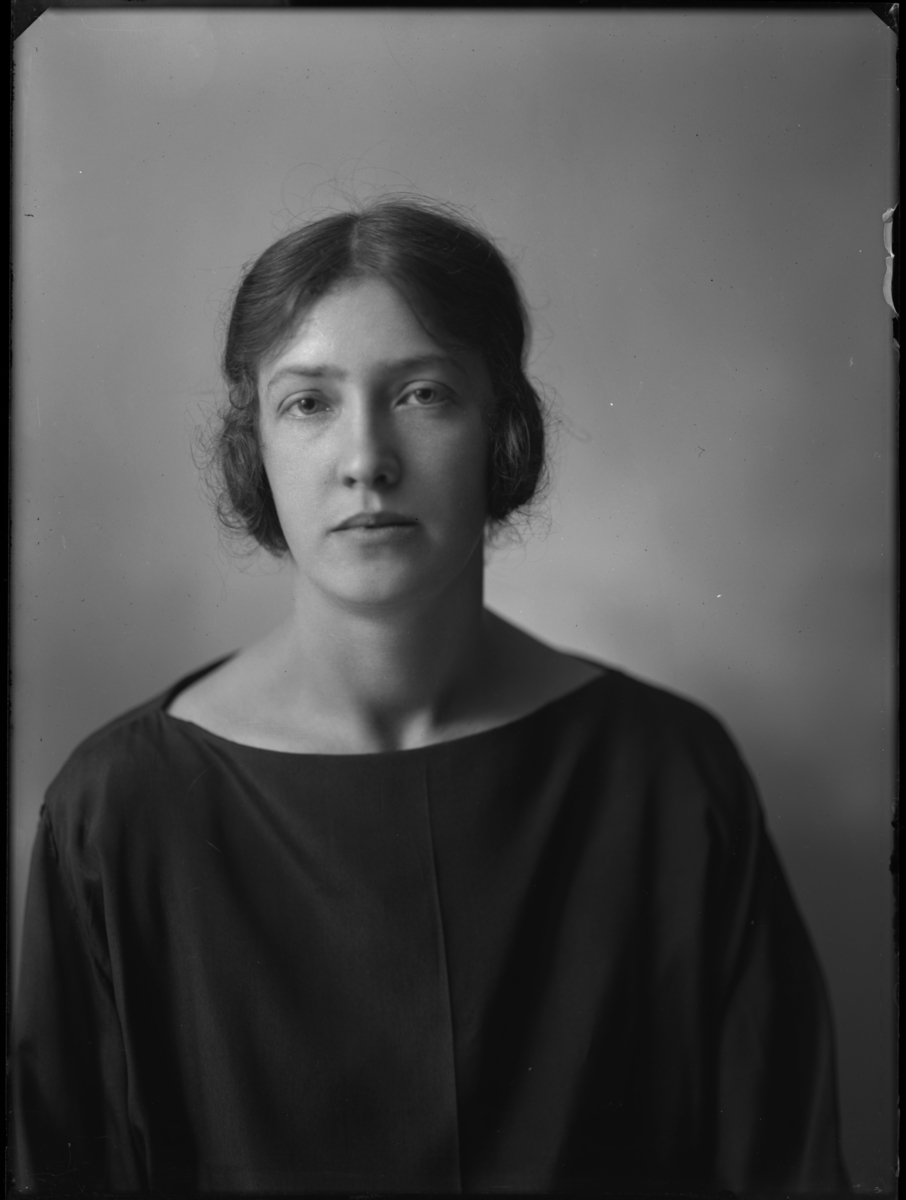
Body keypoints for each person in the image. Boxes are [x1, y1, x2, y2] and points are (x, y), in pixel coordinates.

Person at [12, 198, 850, 1195]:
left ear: (503, 427)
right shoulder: (116, 811)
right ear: (254, 447)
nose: (366, 460)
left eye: (422, 393)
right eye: (309, 402)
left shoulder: (670, 778)